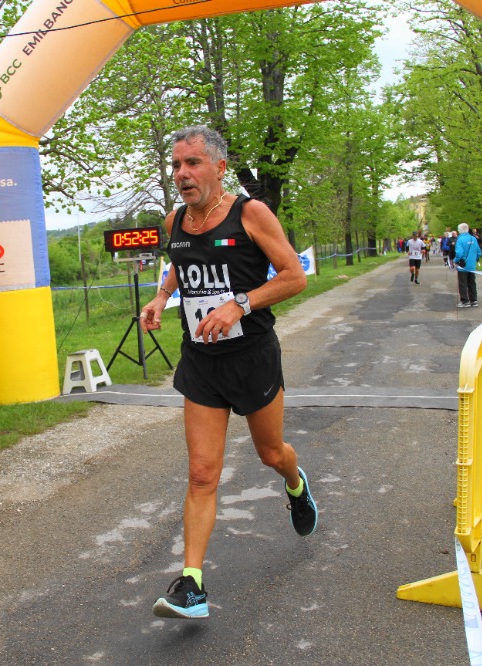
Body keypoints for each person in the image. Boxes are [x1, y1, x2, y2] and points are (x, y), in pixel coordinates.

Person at [139, 126, 315, 620]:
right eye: (176, 165)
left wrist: (240, 304)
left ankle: (296, 484)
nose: (182, 174)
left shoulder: (251, 213)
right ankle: (191, 585)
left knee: (270, 453)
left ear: (218, 167)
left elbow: (294, 277)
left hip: (252, 356)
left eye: (192, 163)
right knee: (201, 473)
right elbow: (182, 262)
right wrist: (161, 297)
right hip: (201, 361)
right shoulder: (175, 220)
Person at [454, 223, 481, 308]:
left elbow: (459, 253)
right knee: (472, 282)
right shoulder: (473, 238)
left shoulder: (460, 239)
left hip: (463, 266)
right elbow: (479, 252)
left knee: (463, 283)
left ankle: (465, 301)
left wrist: (456, 260)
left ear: (460, 230)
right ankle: (474, 300)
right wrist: (475, 259)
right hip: (472, 265)